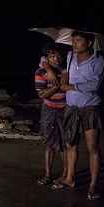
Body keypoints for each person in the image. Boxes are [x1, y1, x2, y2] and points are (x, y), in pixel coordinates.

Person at [53, 30, 104, 200]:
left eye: (78, 40)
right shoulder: (69, 56)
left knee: (92, 147)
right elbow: (44, 59)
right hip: (72, 106)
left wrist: (70, 87)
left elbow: (95, 84)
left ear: (89, 43)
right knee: (70, 144)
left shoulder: (99, 60)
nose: (73, 43)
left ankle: (93, 184)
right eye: (73, 40)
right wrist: (50, 71)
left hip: (90, 106)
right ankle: (70, 178)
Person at [35, 43, 67, 185]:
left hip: (66, 109)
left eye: (59, 55)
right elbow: (41, 94)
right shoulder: (41, 72)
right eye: (52, 56)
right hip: (48, 109)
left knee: (66, 144)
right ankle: (48, 174)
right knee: (49, 143)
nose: (56, 59)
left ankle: (66, 174)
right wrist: (57, 85)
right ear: (46, 58)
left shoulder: (67, 69)